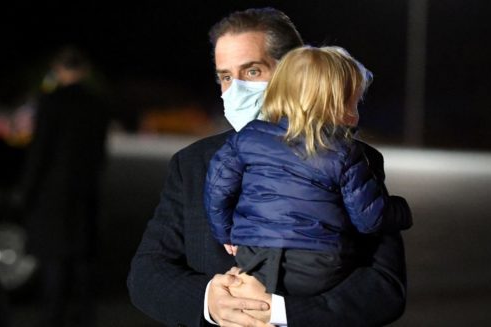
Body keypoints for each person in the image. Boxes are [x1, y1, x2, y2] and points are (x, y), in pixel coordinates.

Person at [128, 7, 409, 327]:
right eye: (225, 77)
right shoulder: (192, 164)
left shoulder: (353, 158)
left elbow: (385, 286)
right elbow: (147, 273)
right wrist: (209, 300)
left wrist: (281, 311)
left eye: (251, 72)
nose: (236, 90)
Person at [204, 45, 412, 299]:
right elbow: (369, 220)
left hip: (254, 258)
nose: (356, 114)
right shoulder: (345, 152)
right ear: (335, 104)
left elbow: (217, 189)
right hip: (318, 267)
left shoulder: (247, 137)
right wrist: (401, 210)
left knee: (256, 303)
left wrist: (225, 232)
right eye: (355, 103)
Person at [18, 46, 109, 327]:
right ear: (83, 71)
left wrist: (27, 191)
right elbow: (99, 153)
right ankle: (84, 315)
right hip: (85, 190)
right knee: (82, 257)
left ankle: (53, 315)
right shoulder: (96, 104)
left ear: (58, 69)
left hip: (52, 193)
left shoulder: (50, 102)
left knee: (55, 258)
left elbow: (40, 151)